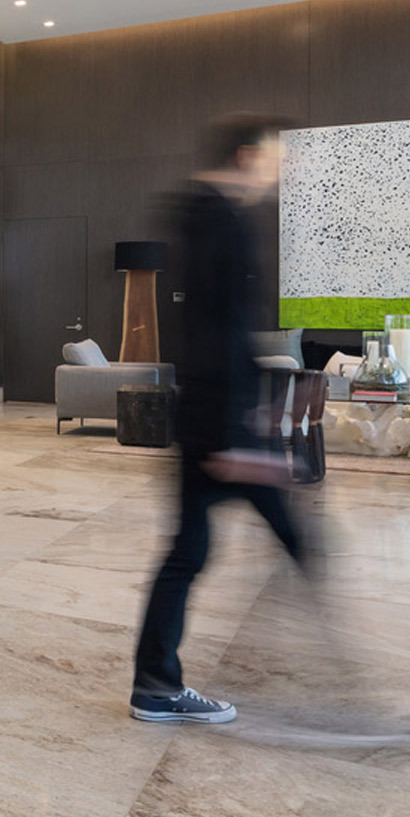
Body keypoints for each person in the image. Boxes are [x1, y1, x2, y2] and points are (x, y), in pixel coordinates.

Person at [130, 115, 307, 723]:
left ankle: (156, 683)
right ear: (247, 156)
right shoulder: (216, 219)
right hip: (215, 423)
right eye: (275, 162)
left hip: (217, 419)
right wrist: (230, 436)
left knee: (191, 550)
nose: (278, 176)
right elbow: (211, 331)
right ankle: (157, 685)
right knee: (275, 542)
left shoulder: (207, 212)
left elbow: (221, 330)